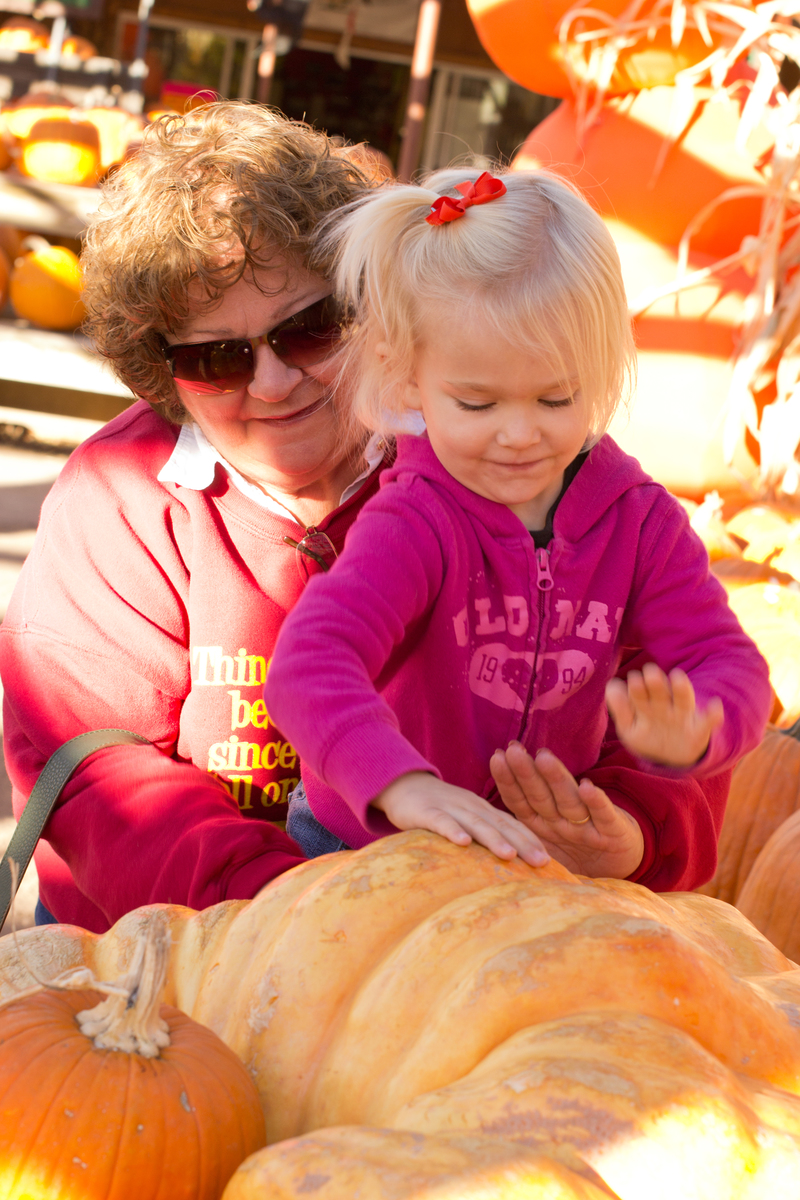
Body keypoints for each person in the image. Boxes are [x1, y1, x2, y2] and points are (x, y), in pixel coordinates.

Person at [0, 114, 736, 936]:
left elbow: (672, 698)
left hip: (456, 951)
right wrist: (309, 920)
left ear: (381, 320)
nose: (274, 381)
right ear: (162, 371)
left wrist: (634, 833)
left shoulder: (508, 465)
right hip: (171, 961)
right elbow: (99, 769)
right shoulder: (120, 498)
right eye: (217, 358)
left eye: (307, 329)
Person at [265, 168, 771, 882]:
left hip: (531, 855)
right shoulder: (417, 520)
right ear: (408, 376)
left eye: (556, 397)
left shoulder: (638, 522)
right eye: (477, 404)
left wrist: (702, 727)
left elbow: (730, 664)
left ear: (599, 376)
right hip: (366, 844)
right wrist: (400, 786)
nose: (520, 434)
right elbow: (309, 666)